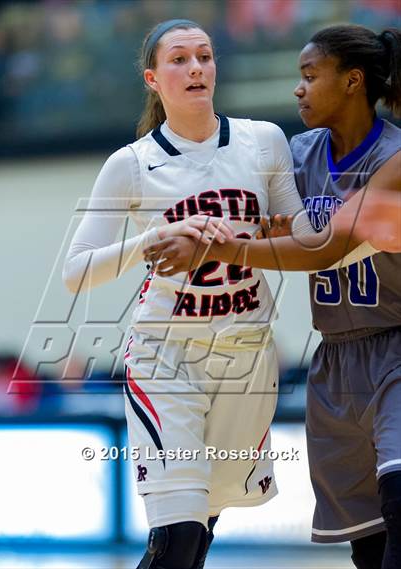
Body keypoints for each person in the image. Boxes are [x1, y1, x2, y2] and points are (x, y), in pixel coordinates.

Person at [62, 18, 320, 569]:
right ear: (154, 79)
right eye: (179, 59)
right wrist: (153, 239)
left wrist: (250, 240)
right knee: (176, 537)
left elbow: (301, 238)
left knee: (198, 537)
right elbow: (76, 273)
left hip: (246, 356)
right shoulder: (130, 164)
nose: (196, 67)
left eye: (204, 56)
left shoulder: (263, 141)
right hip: (166, 356)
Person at [145, 25, 401, 569]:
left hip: (396, 345)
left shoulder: (395, 156)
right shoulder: (296, 153)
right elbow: (269, 229)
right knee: (369, 544)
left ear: (353, 81)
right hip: (333, 356)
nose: (298, 90)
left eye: (310, 77)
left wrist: (225, 250)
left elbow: (323, 248)